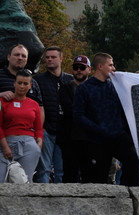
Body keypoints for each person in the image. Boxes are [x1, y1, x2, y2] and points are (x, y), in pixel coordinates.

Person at [73, 53, 139, 186]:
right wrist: (98, 129)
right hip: (96, 140)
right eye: (110, 65)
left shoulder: (115, 87)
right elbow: (78, 116)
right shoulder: (84, 88)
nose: (113, 68)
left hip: (118, 136)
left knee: (134, 160)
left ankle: (127, 193)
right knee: (99, 178)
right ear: (100, 66)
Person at [33, 46, 73, 183]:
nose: (49, 59)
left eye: (53, 57)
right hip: (46, 129)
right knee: (43, 168)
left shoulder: (70, 80)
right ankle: (41, 200)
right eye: (47, 57)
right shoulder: (38, 80)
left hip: (65, 131)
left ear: (61, 59)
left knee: (61, 169)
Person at [0, 69, 43, 182]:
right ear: (14, 83)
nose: (22, 86)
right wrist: (5, 147)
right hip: (6, 141)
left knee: (24, 181)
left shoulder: (34, 104)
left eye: (25, 83)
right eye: (19, 83)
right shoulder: (2, 101)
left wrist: (39, 142)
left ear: (30, 85)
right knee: (2, 180)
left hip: (29, 145)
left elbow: (38, 128)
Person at [57, 55, 91, 183]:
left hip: (89, 138)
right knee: (70, 174)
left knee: (89, 174)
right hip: (69, 138)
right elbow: (68, 109)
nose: (78, 70)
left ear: (89, 69)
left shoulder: (94, 87)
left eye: (82, 67)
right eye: (76, 67)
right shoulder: (65, 87)